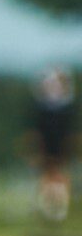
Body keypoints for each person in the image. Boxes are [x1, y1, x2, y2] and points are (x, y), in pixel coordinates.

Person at [35, 68, 74, 224]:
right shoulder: (42, 108)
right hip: (47, 144)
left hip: (61, 144)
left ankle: (60, 208)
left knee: (60, 174)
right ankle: (46, 207)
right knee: (47, 175)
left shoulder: (66, 108)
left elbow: (70, 131)